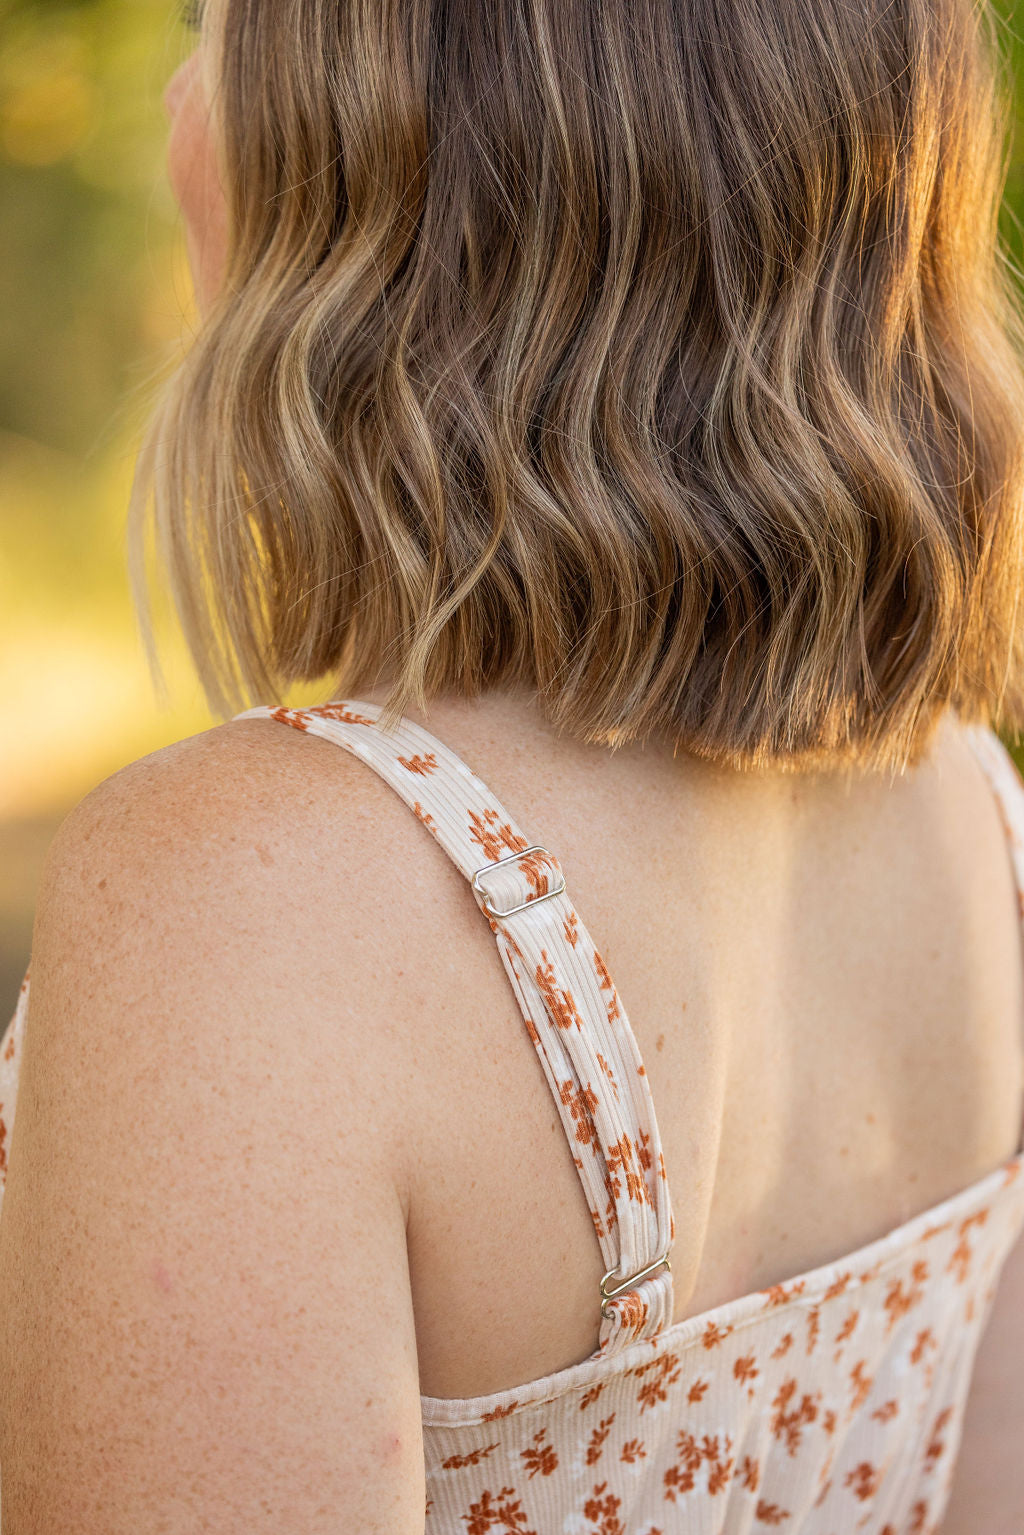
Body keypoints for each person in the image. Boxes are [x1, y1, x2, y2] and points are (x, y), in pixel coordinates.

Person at [2, 0, 1024, 1527]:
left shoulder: (247, 914)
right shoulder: (974, 819)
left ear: (390, 175)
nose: (173, 100)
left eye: (223, 31)